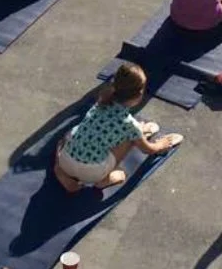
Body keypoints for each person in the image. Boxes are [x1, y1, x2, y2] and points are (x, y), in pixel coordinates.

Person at [53, 62, 183, 193]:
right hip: (91, 173)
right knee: (130, 139)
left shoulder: (100, 103)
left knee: (75, 132)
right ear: (139, 95)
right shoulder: (128, 124)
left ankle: (60, 171)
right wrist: (162, 144)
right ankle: (103, 180)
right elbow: (148, 150)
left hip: (65, 161)